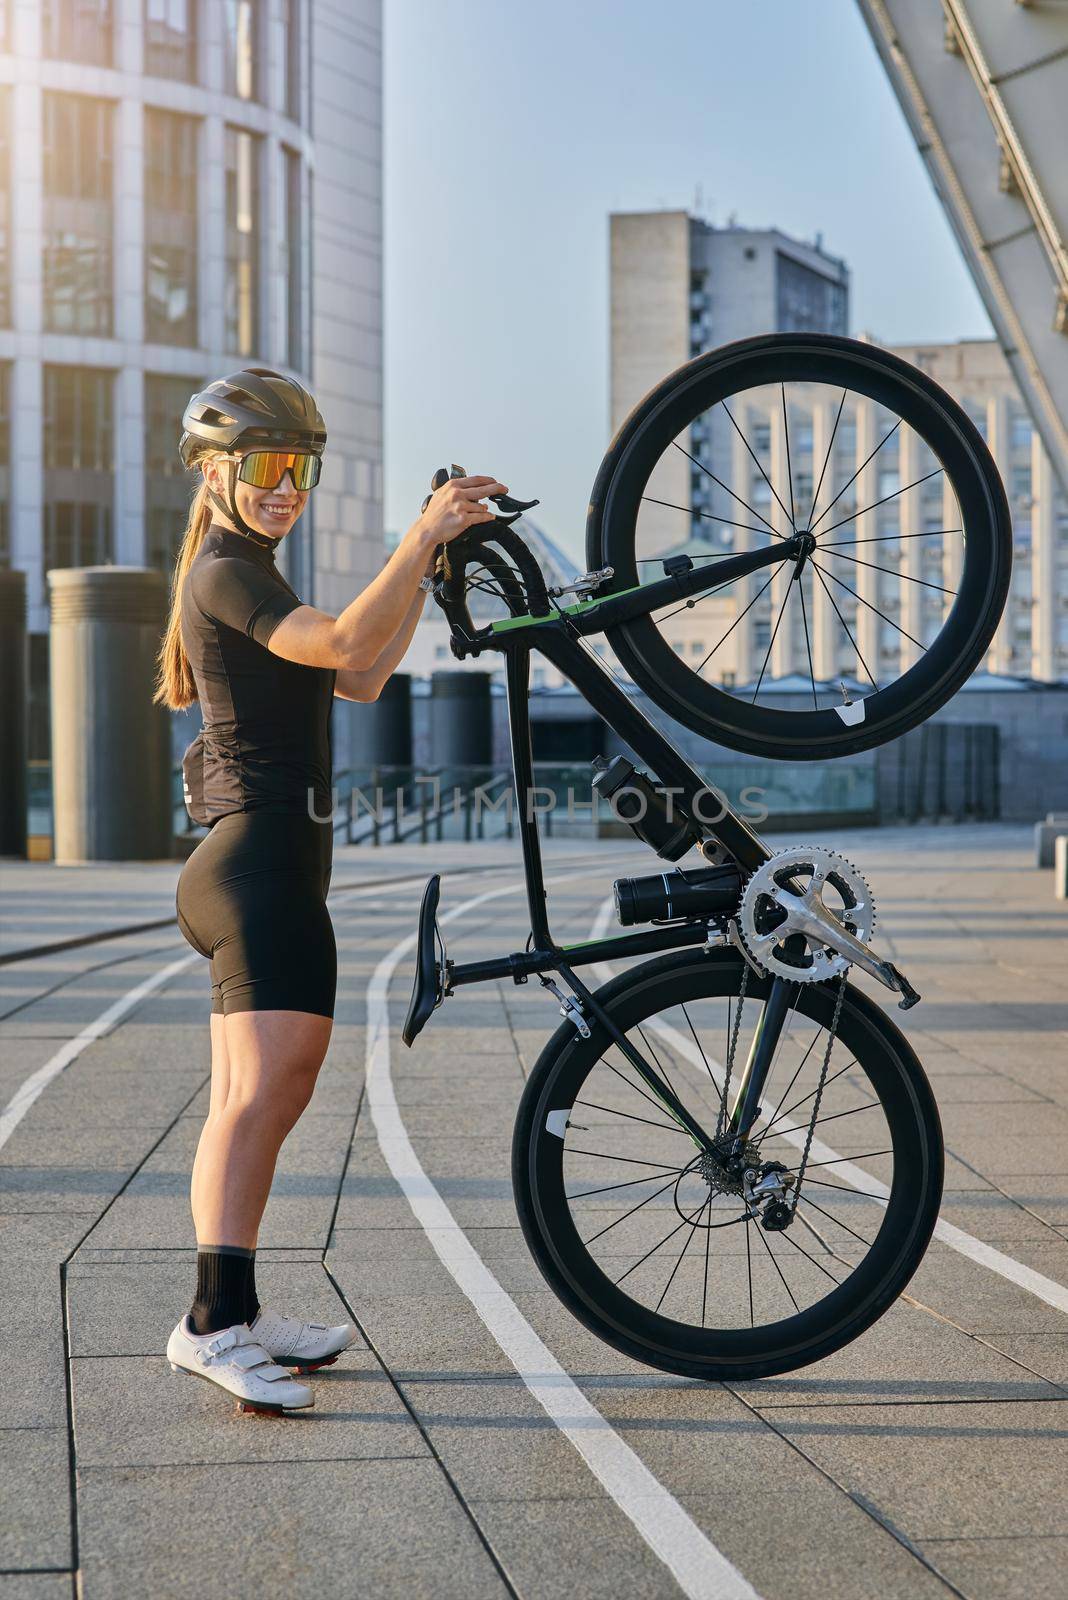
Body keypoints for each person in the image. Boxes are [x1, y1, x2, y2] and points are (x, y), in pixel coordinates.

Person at [154, 367, 507, 1412]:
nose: (286, 487)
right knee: (262, 1095)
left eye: (300, 467)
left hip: (277, 863)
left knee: (265, 1094)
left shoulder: (252, 569)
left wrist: (427, 553)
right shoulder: (225, 571)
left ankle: (240, 1307)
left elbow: (359, 675)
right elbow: (349, 642)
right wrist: (418, 536)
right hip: (255, 865)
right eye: (266, 466)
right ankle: (212, 1324)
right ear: (216, 472)